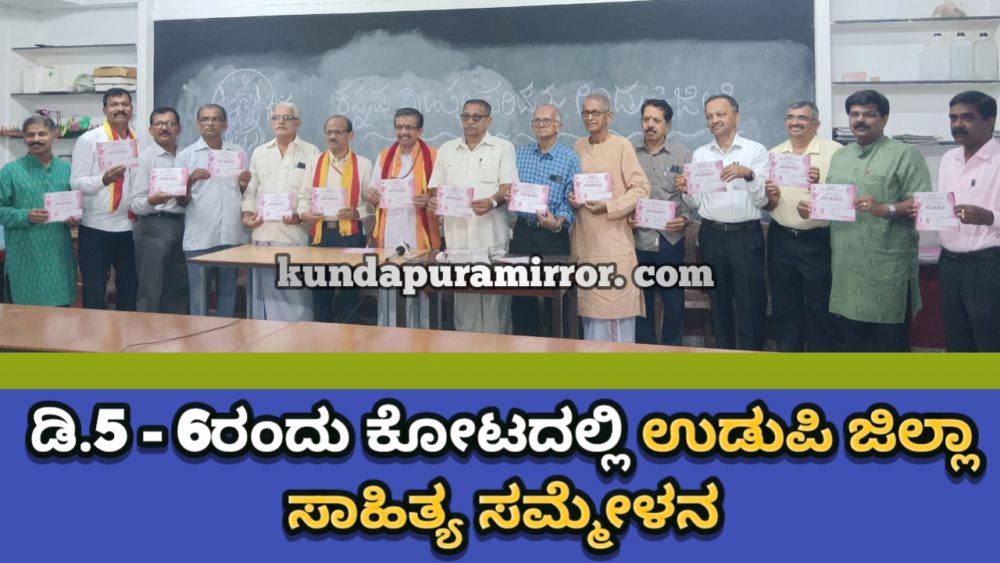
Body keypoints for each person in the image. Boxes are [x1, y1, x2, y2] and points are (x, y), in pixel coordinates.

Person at [798, 90, 931, 352]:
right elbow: (833, 204)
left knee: (889, 349)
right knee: (855, 345)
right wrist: (811, 209)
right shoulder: (841, 156)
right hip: (846, 270)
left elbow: (923, 203)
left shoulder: (905, 154)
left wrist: (885, 208)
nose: (860, 120)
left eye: (869, 114)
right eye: (854, 114)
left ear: (884, 118)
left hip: (887, 269)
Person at [677, 94, 769, 350]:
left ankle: (753, 360)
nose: (714, 120)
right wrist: (686, 189)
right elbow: (695, 203)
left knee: (750, 304)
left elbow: (763, 200)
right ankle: (723, 358)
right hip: (712, 235)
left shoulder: (755, 151)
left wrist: (748, 174)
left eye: (720, 114)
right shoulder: (700, 154)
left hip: (745, 236)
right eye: (709, 116)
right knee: (718, 303)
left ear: (736, 116)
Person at [427, 99, 518, 334]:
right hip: (458, 238)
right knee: (464, 304)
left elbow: (508, 187)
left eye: (476, 117)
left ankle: (498, 352)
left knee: (495, 303)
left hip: (490, 235)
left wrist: (492, 201)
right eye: (465, 117)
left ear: (488, 120)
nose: (469, 122)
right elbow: (436, 188)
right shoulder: (447, 149)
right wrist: (435, 200)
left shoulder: (503, 147)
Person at [569, 93, 650, 342]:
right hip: (584, 242)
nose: (590, 117)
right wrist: (572, 198)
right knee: (591, 317)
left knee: (617, 317)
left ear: (609, 116)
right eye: (585, 113)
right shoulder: (577, 146)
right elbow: (574, 187)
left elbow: (641, 188)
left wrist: (610, 206)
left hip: (614, 242)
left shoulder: (622, 146)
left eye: (596, 112)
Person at [764, 100, 843, 352]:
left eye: (802, 118)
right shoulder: (774, 154)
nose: (795, 122)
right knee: (785, 305)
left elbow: (843, 200)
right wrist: (770, 197)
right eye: (790, 117)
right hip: (781, 238)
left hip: (818, 240)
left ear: (816, 124)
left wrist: (817, 187)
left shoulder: (836, 152)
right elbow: (768, 205)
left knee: (819, 306)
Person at [933, 90, 1000, 351]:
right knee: (957, 341)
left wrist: (989, 217)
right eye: (953, 118)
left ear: (990, 120)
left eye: (967, 117)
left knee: (989, 341)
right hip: (949, 263)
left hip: (988, 265)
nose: (957, 124)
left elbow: (988, 217)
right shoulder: (949, 158)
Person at [241, 102, 319, 321]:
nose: (281, 122)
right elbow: (251, 190)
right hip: (263, 232)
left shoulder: (311, 152)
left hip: (295, 234)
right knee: (263, 297)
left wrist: (301, 216)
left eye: (287, 117)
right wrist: (247, 215)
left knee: (296, 295)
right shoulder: (260, 152)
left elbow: (314, 192)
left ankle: (298, 339)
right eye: (276, 117)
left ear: (298, 123)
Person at [176, 104, 251, 317]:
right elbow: (179, 201)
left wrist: (244, 185)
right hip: (200, 238)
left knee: (228, 295)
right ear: (198, 124)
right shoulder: (186, 156)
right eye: (205, 119)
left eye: (216, 119)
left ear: (225, 124)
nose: (210, 123)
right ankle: (199, 337)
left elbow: (243, 194)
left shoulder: (238, 153)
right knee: (198, 297)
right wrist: (189, 181)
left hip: (231, 235)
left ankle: (225, 335)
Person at [510, 104, 579, 337]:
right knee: (521, 298)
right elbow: (510, 187)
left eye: (547, 120)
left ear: (559, 126)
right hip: (523, 232)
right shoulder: (519, 155)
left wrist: (558, 222)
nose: (541, 124)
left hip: (554, 236)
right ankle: (524, 348)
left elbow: (571, 199)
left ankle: (559, 349)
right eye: (536, 121)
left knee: (556, 299)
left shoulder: (570, 158)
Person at [366, 107, 438, 328]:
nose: (403, 132)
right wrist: (371, 195)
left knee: (419, 290)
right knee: (389, 291)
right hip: (389, 233)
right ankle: (388, 338)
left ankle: (420, 339)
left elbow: (442, 196)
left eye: (408, 127)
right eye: (399, 127)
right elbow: (373, 191)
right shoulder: (384, 156)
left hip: (420, 235)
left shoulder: (434, 156)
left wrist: (429, 200)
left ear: (420, 130)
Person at [298, 115, 373, 324]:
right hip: (320, 235)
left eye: (338, 132)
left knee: (349, 294)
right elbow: (303, 195)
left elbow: (372, 204)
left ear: (350, 135)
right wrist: (304, 213)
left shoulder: (364, 164)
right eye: (329, 132)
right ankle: (321, 341)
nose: (333, 136)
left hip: (351, 236)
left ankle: (350, 340)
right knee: (321, 294)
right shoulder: (314, 162)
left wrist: (356, 213)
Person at [69, 87, 138, 311]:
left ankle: (127, 331)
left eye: (124, 104)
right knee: (94, 288)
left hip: (130, 227)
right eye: (114, 105)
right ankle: (93, 333)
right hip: (95, 228)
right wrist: (104, 180)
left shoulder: (140, 140)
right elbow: (76, 182)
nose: (120, 109)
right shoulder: (89, 140)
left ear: (131, 109)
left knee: (129, 288)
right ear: (104, 110)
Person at [631, 99, 692, 346]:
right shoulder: (629, 152)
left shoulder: (682, 154)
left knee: (673, 302)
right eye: (646, 119)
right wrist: (626, 216)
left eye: (656, 120)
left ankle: (672, 351)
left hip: (670, 239)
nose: (650, 125)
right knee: (641, 301)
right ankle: (645, 350)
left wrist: (685, 218)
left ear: (668, 124)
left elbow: (689, 195)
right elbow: (622, 190)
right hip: (638, 238)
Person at [0, 115, 77, 306]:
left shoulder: (67, 170)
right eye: (30, 135)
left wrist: (74, 219)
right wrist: (24, 215)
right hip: (26, 254)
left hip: (59, 254)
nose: (36, 139)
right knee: (26, 314)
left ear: (54, 135)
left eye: (42, 134)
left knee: (62, 314)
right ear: (24, 138)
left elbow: (74, 207)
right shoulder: (10, 171)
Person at [130, 107, 190, 314]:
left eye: (170, 123)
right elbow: (135, 203)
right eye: (159, 124)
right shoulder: (145, 159)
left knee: (179, 287)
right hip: (153, 226)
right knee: (151, 288)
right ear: (150, 130)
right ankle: (146, 332)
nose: (165, 128)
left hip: (184, 226)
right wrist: (152, 200)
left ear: (179, 128)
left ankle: (177, 332)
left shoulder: (186, 156)